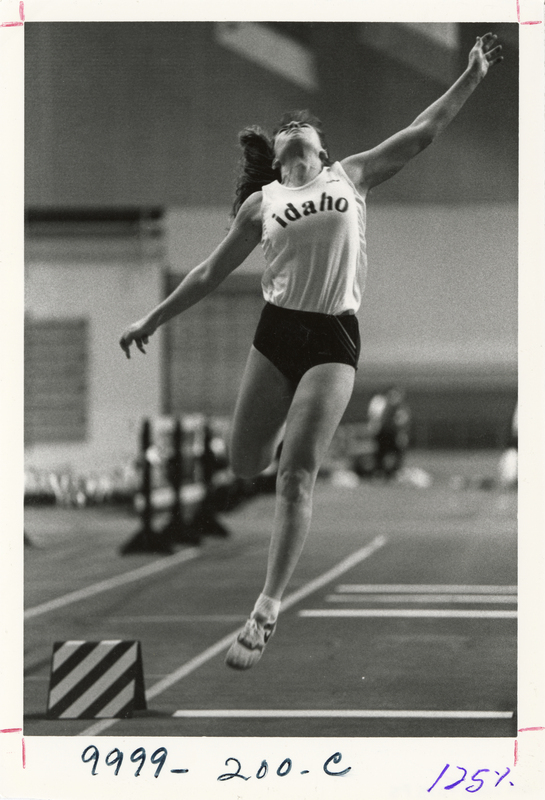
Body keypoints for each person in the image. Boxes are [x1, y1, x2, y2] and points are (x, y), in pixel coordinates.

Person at [119, 33, 503, 669]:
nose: (294, 126)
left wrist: (471, 75)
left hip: (331, 337)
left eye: (304, 125)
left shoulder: (350, 176)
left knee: (295, 473)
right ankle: (280, 439)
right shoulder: (262, 204)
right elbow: (209, 274)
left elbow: (422, 131)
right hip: (276, 333)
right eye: (284, 127)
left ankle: (266, 609)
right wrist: (152, 318)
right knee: (246, 464)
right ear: (276, 157)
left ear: (320, 150)